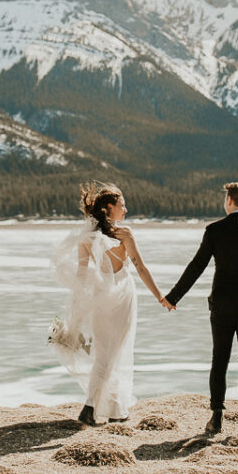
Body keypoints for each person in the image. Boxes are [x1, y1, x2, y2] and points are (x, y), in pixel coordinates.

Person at [164, 181, 238, 435]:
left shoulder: (215, 230)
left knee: (219, 360)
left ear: (229, 201)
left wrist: (174, 297)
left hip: (222, 305)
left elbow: (196, 267)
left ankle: (216, 419)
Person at [50, 182, 173, 426]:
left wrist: (77, 308)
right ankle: (89, 407)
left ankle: (116, 408)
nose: (126, 209)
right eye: (122, 205)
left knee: (106, 353)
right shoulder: (124, 234)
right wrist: (160, 296)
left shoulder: (86, 238)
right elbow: (140, 267)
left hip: (99, 298)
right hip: (123, 297)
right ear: (109, 208)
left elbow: (82, 276)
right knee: (113, 352)